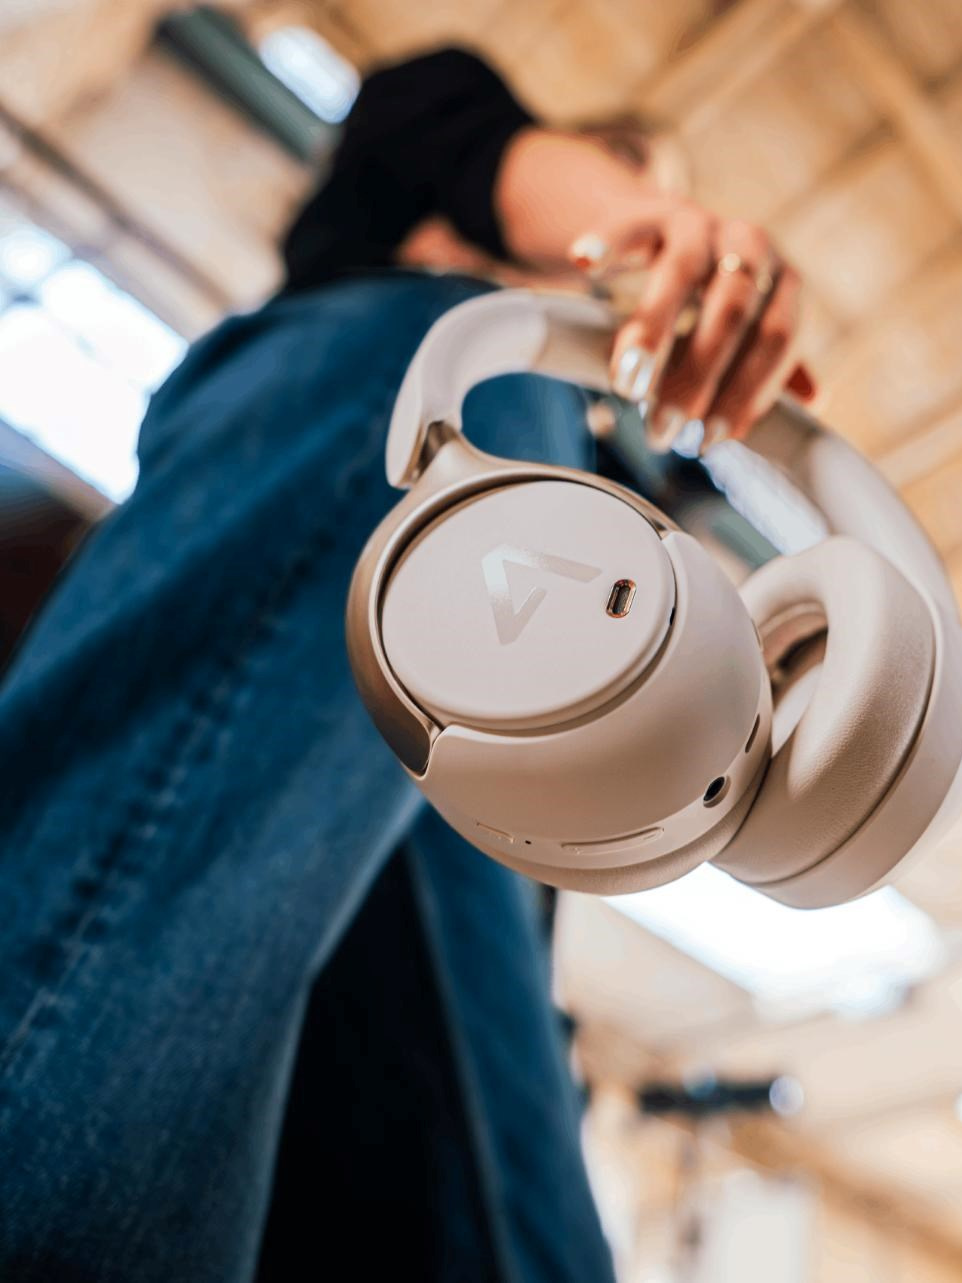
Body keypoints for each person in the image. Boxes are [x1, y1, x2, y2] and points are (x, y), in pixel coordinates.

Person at [0, 47, 812, 1282]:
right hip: (346, 481)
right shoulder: (435, 237)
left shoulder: (597, 472)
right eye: (617, 178)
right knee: (107, 999)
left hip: (432, 832)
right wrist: (640, 233)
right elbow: (486, 156)